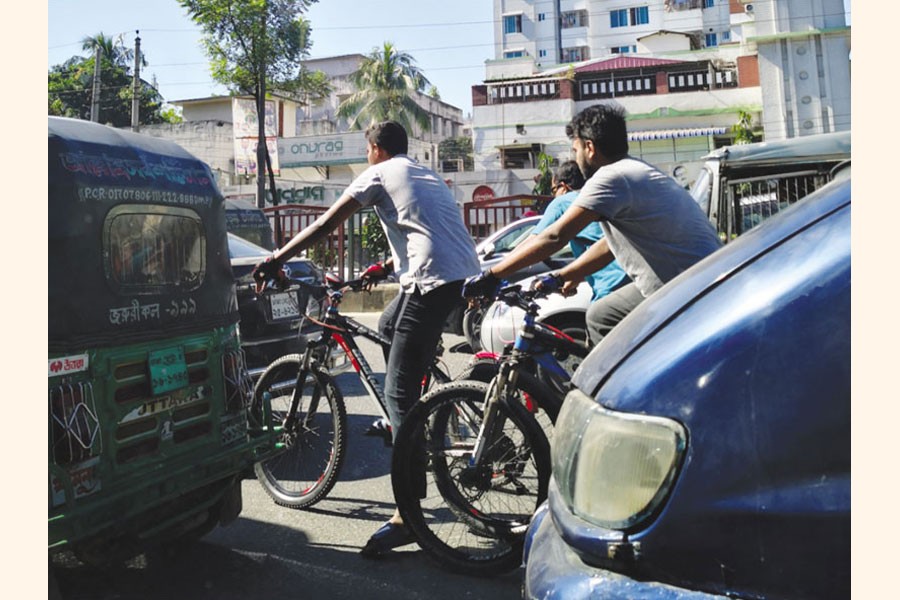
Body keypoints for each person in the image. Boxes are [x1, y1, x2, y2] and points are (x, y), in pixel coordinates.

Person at [252, 120, 480, 558]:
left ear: (375, 149)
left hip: (430, 285)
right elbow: (419, 229)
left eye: (367, 149)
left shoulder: (377, 173)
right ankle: (417, 384)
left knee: (399, 400)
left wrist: (277, 258)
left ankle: (406, 514)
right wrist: (382, 269)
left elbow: (325, 223)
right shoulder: (422, 173)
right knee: (388, 326)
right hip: (457, 280)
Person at [463, 103, 722, 346]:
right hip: (700, 278)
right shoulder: (634, 171)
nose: (574, 158)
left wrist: (491, 275)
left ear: (590, 147)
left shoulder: (611, 177)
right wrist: (567, 275)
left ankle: (616, 391)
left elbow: (554, 237)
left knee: (601, 318)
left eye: (574, 150)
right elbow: (608, 246)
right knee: (604, 312)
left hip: (685, 287)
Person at [527, 159, 628, 302]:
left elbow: (536, 242)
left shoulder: (563, 202)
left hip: (611, 288)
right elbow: (598, 248)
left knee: (597, 320)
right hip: (634, 281)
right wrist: (574, 276)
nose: (553, 195)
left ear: (563, 187)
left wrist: (495, 273)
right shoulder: (601, 198)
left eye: (553, 190)